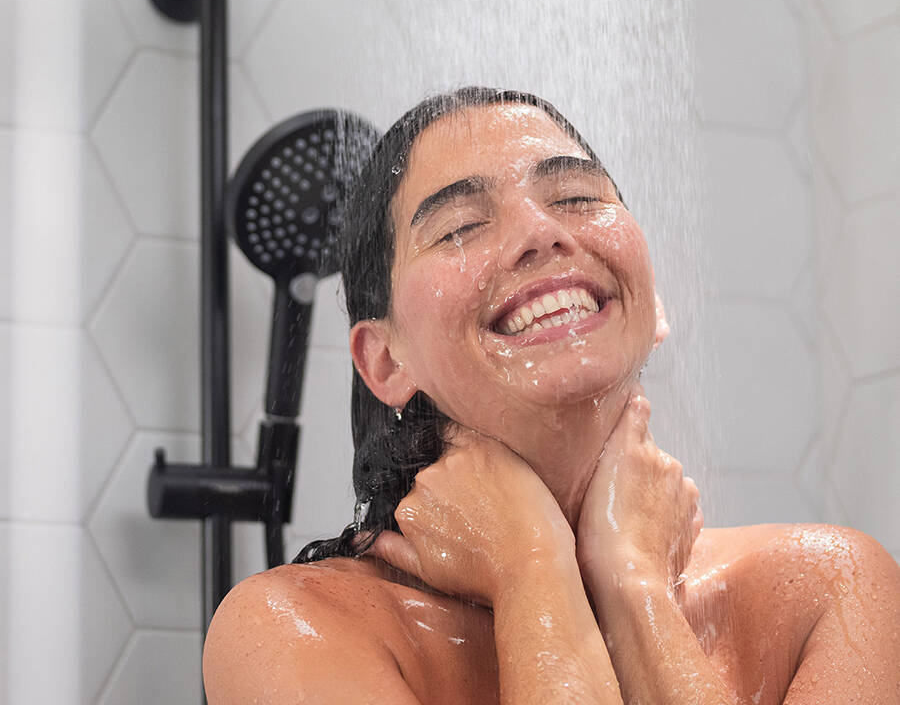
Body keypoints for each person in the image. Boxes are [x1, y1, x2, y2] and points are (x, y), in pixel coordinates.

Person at [204, 88, 900, 704]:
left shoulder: (829, 589)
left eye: (577, 198)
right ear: (384, 360)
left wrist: (634, 587)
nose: (541, 233)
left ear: (652, 302)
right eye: (461, 227)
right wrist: (533, 565)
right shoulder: (296, 632)